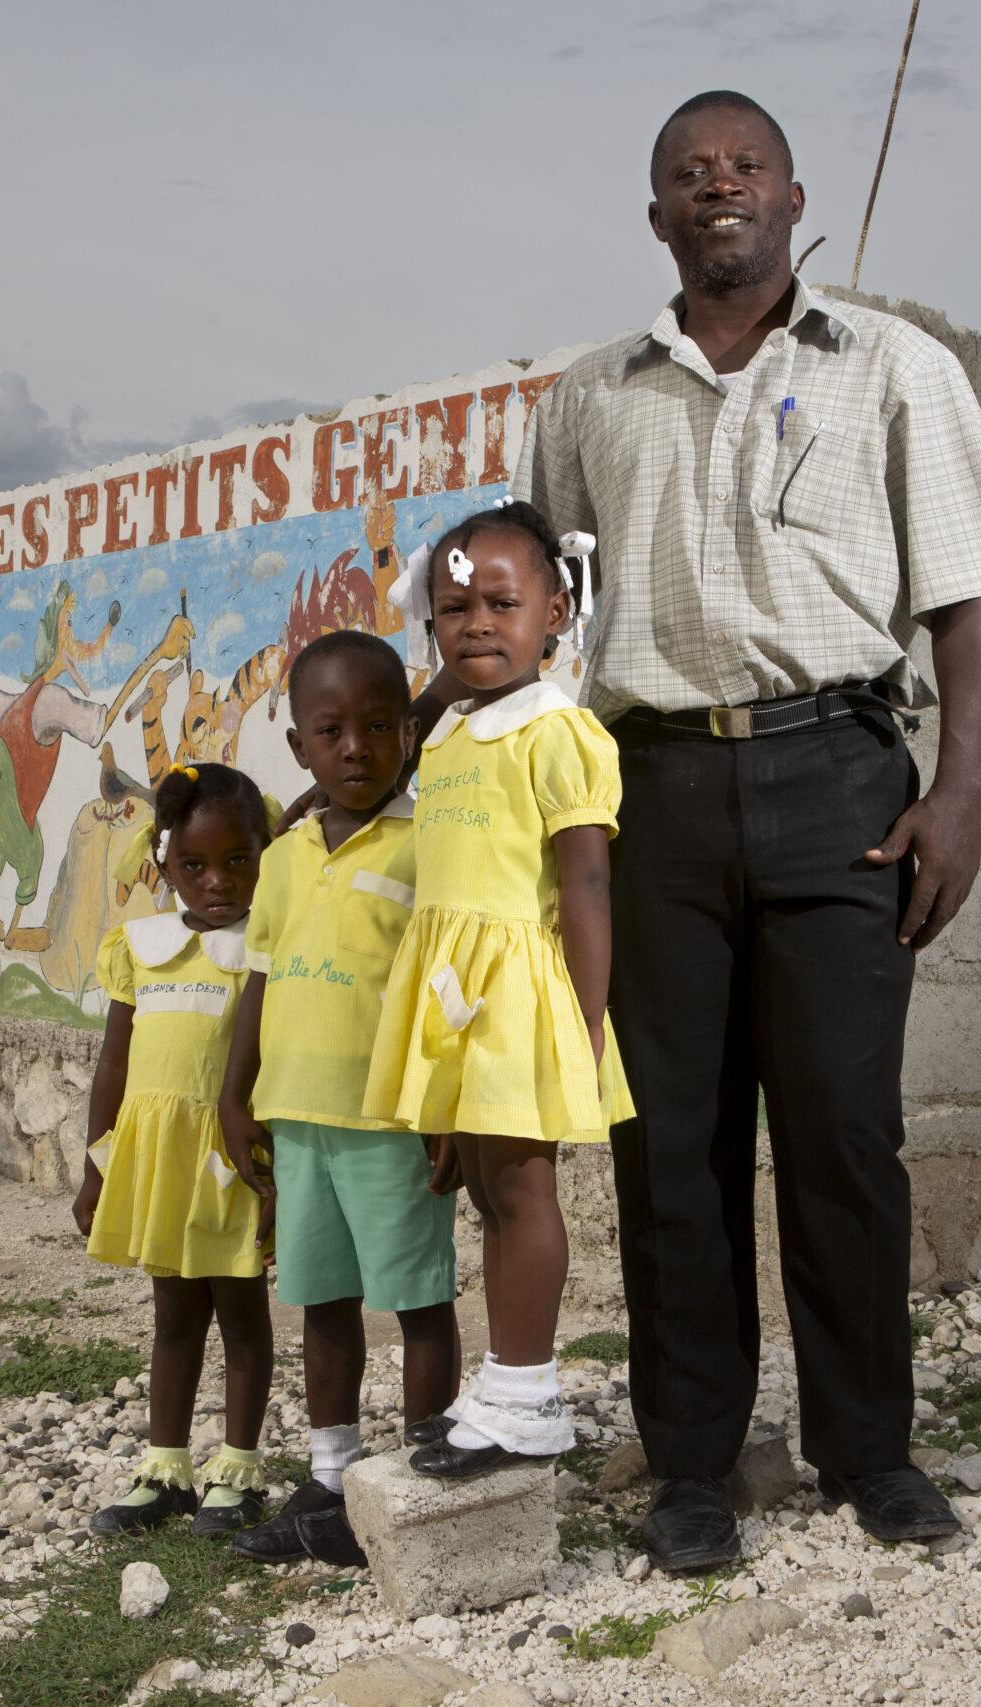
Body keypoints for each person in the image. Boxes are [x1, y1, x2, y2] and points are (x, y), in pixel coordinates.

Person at [513, 91, 981, 1570]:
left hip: (840, 785)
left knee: (843, 1136)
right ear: (657, 216)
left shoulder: (895, 369)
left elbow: (972, 602)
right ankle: (692, 1463)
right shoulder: (590, 398)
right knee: (670, 1144)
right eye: (690, 173)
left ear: (796, 197)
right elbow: (537, 608)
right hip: (652, 794)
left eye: (743, 166)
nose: (718, 186)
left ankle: (869, 1448)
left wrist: (961, 793)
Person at [362, 501, 629, 1480]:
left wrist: (585, 1026)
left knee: (521, 1193)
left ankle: (527, 1393)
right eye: (452, 606)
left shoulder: (555, 730)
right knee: (483, 1189)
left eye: (501, 603)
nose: (476, 623)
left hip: (519, 998)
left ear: (554, 610)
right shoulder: (448, 731)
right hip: (449, 995)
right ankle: (506, 1381)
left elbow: (586, 883)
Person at [218, 629, 463, 1567]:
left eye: (375, 726)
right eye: (331, 730)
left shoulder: (428, 841)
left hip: (390, 1119)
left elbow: (448, 979)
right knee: (323, 1299)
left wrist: (444, 1102)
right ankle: (329, 1482)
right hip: (298, 1117)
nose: (355, 747)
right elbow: (262, 980)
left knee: (417, 1299)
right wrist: (237, 1097)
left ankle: (427, 1472)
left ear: (409, 732)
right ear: (299, 748)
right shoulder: (280, 858)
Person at [71, 762, 275, 1537]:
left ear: (264, 854)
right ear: (164, 864)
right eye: (193, 865)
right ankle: (166, 1466)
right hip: (156, 1158)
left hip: (228, 1159)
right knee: (172, 1315)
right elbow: (113, 1066)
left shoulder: (265, 944)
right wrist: (97, 1165)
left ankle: (240, 1467)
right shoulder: (139, 946)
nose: (215, 881)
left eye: (236, 861)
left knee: (242, 1313)